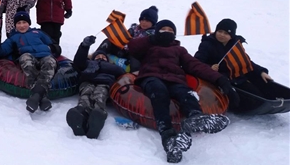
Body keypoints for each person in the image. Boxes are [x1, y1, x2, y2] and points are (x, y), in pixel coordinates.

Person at [126, 19, 237, 163]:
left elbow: (195, 65)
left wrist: (220, 79)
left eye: (170, 30)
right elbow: (132, 47)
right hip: (151, 77)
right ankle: (168, 136)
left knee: (186, 93)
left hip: (175, 79)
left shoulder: (179, 50)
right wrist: (152, 39)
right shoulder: (149, 46)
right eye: (163, 29)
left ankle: (195, 117)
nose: (167, 32)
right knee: (159, 93)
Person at [194, 18, 276, 112]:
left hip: (237, 76)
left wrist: (261, 71)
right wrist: (210, 67)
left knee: (257, 95)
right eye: (220, 31)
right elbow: (197, 63)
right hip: (219, 78)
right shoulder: (207, 44)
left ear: (231, 35)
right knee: (245, 101)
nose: (222, 35)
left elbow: (245, 62)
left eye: (226, 33)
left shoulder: (235, 45)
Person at [0, 8, 62, 113]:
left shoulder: (38, 32)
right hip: (28, 56)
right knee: (25, 59)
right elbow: (1, 52)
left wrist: (51, 49)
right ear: (15, 25)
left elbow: (55, 45)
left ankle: (37, 96)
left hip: (45, 55)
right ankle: (42, 96)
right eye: (19, 23)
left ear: (29, 23)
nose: (22, 25)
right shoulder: (13, 38)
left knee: (49, 63)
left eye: (24, 22)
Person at [66, 35, 125, 139]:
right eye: (98, 56)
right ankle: (81, 115)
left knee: (99, 94)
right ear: (93, 58)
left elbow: (122, 74)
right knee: (85, 95)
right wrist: (84, 46)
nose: (101, 58)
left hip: (104, 82)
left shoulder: (113, 67)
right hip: (87, 81)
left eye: (103, 57)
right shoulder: (88, 63)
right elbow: (78, 62)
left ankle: (97, 115)